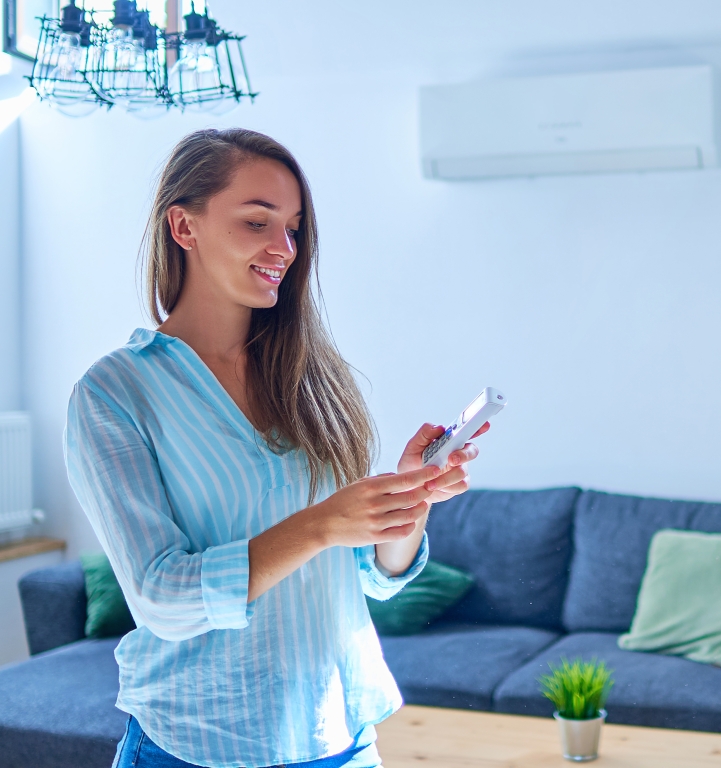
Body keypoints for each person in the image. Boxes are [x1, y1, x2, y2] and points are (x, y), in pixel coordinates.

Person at [63, 128, 486, 768]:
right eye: (258, 221)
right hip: (196, 742)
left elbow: (374, 577)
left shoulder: (314, 378)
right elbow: (161, 597)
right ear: (184, 226)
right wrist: (321, 525)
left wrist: (408, 497)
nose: (283, 248)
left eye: (293, 227)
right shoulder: (115, 392)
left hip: (339, 739)